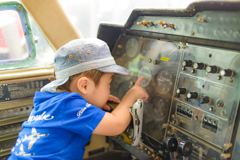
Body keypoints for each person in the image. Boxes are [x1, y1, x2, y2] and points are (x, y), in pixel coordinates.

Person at [8, 38, 149, 160]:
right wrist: (131, 96)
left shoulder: (48, 101)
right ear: (84, 86)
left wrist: (94, 101)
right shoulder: (71, 106)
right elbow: (116, 125)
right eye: (108, 84)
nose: (109, 90)